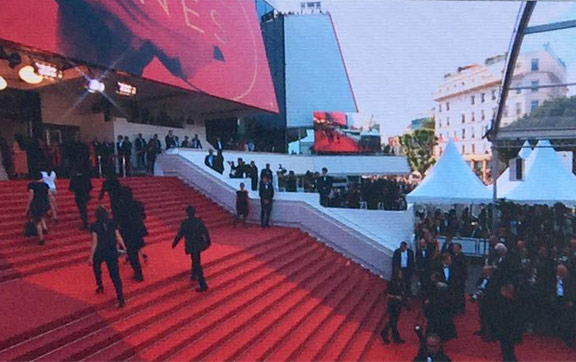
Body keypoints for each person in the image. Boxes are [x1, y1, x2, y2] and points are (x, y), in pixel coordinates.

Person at [88, 206, 126, 308]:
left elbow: (94, 242)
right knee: (115, 275)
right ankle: (121, 298)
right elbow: (118, 236)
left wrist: (91, 256)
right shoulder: (112, 223)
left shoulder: (94, 226)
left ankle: (100, 285)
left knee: (97, 267)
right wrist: (124, 247)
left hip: (100, 251)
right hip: (111, 250)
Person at [172, 206, 211, 292]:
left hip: (191, 244)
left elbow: (180, 234)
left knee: (196, 261)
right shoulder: (198, 221)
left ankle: (203, 284)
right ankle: (194, 275)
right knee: (195, 259)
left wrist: (174, 243)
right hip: (199, 243)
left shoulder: (185, 222)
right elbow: (205, 231)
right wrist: (208, 241)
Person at [116, 186, 147, 282]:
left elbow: (119, 220)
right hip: (138, 231)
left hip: (128, 233)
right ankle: (138, 271)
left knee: (132, 253)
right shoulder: (138, 204)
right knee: (135, 251)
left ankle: (138, 273)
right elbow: (143, 216)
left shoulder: (121, 206)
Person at [492, 283, 523, 361]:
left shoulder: (507, 304)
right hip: (510, 331)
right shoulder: (514, 302)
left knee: (507, 349)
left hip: (507, 331)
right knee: (508, 349)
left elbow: (503, 318)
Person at [381, 270, 406, 344]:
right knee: (393, 321)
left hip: (398, 304)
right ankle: (392, 336)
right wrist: (396, 297)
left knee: (393, 321)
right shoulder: (391, 283)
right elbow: (387, 294)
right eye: (400, 273)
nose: (401, 275)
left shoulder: (401, 282)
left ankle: (392, 336)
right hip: (392, 304)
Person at [24, 172, 50, 245]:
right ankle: (45, 228)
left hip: (36, 203)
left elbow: (31, 196)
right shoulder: (45, 185)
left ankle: (41, 238)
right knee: (42, 215)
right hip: (45, 202)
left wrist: (28, 206)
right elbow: (49, 194)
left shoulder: (32, 185)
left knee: (37, 221)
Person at [554, 264, 576, 347]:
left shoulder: (570, 280)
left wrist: (571, 300)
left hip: (569, 302)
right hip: (561, 301)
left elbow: (571, 291)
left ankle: (569, 339)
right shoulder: (559, 279)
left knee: (570, 322)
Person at [451, 243, 468, 313]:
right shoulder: (452, 256)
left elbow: (463, 269)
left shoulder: (462, 257)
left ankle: (461, 308)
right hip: (453, 277)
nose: (454, 249)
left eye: (455, 248)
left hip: (459, 278)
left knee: (460, 294)